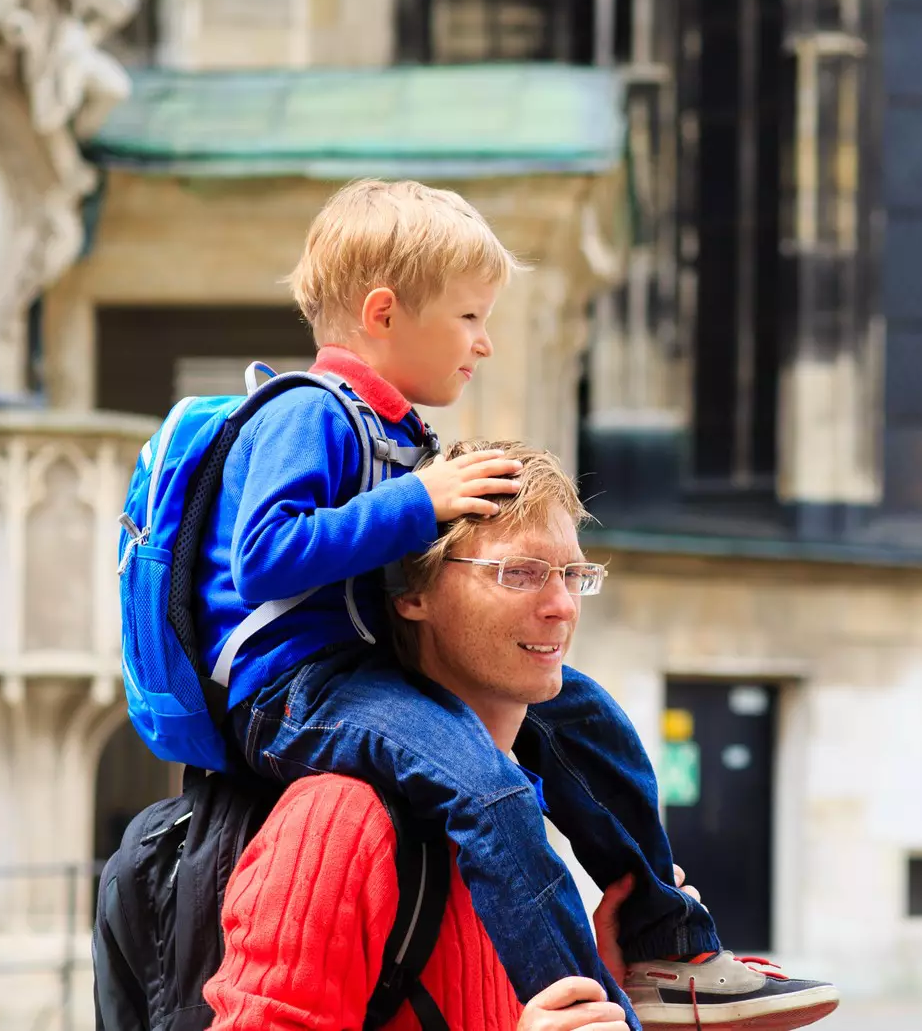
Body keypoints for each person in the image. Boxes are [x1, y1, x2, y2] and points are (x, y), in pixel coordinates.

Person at [202, 181, 838, 1028]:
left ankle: (664, 946)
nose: (486, 344)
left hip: (354, 671)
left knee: (594, 723)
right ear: (384, 313)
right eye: (469, 318)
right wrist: (423, 503)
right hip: (297, 688)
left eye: (571, 576)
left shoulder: (392, 429)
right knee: (493, 791)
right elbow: (263, 557)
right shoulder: (307, 411)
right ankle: (583, 1003)